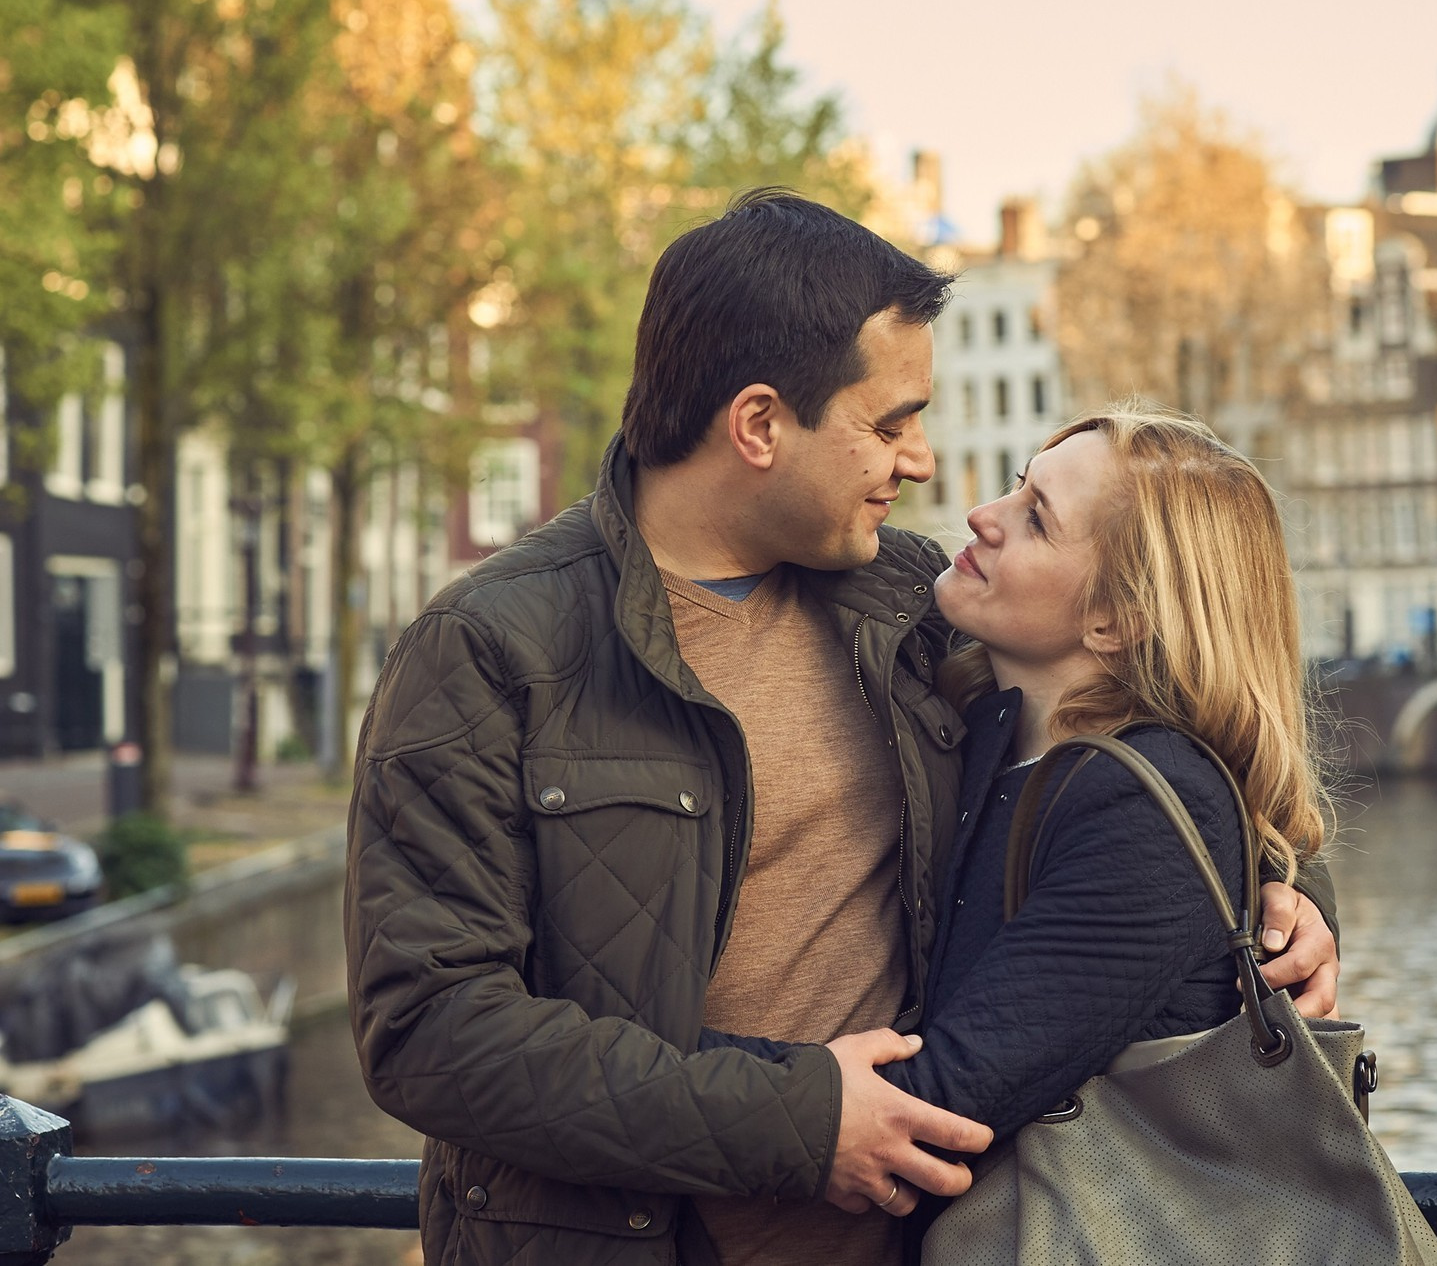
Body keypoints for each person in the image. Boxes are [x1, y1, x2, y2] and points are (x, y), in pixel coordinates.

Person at [343, 189, 1341, 1266]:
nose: (922, 464)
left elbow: (1161, 750)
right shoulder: (490, 646)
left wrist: (1284, 896)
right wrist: (798, 1119)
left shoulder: (911, 604)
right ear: (760, 425)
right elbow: (430, 1030)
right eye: (889, 424)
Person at [767, 406, 1338, 1253]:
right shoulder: (978, 729)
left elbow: (943, 1101)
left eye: (1036, 517)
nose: (981, 515)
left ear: (1114, 618)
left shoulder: (1144, 803)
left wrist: (650, 1073)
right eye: (1017, 484)